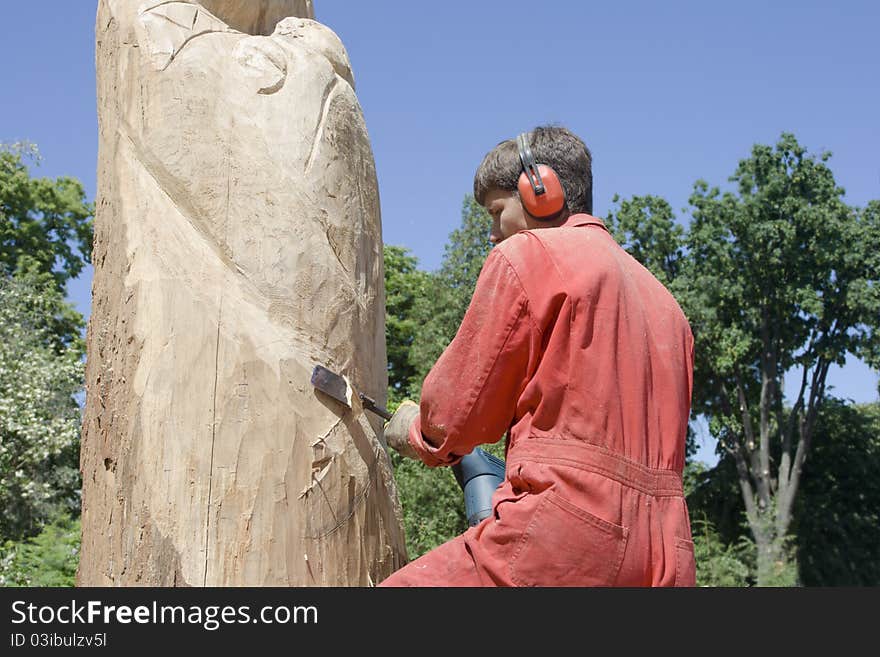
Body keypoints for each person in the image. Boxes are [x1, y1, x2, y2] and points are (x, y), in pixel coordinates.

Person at [380, 125, 696, 587]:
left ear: (539, 191)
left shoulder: (529, 255)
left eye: (496, 212)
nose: (492, 232)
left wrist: (419, 431)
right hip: (667, 548)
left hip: (569, 529)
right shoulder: (668, 306)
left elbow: (456, 415)